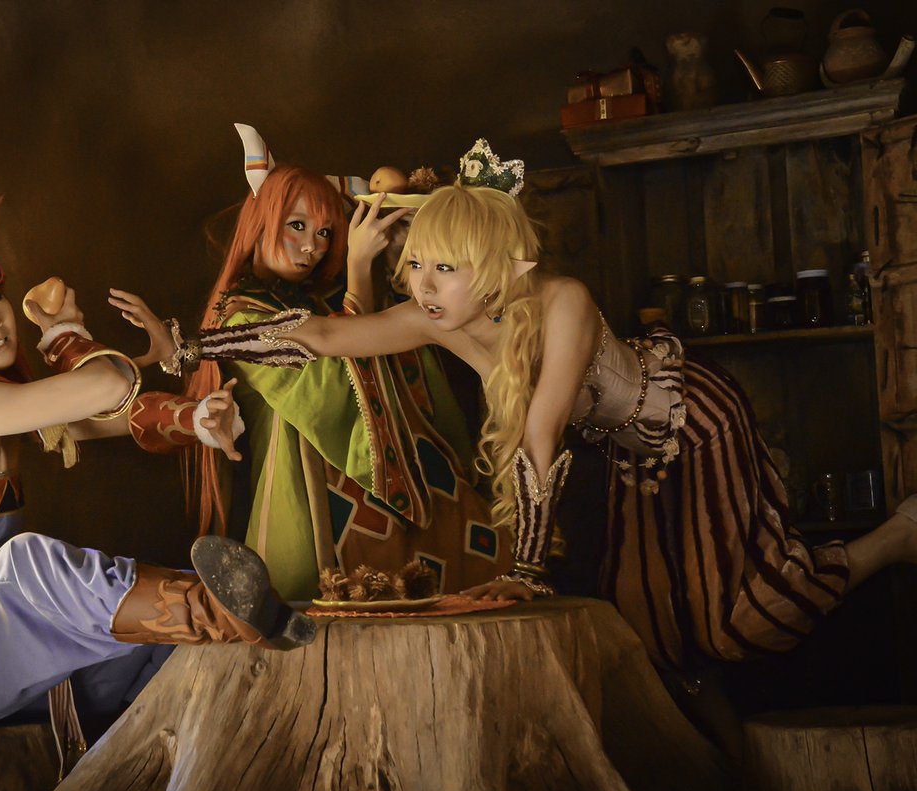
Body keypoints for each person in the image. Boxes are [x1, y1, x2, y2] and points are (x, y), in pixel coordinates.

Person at [130, 139, 917, 673]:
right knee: (653, 638)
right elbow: (325, 335)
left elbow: (540, 436)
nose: (421, 285)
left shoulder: (563, 301)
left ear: (504, 268)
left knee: (745, 619)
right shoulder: (434, 317)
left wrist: (527, 573)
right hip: (630, 459)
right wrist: (190, 349)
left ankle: (891, 540)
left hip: (693, 426)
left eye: (445, 269)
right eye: (417, 265)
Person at [0, 169, 315, 745]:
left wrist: (196, 421)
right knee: (25, 564)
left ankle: (233, 645)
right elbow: (108, 385)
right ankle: (220, 611)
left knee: (148, 639)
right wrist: (63, 334)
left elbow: (103, 417)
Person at [112, 128, 513, 601]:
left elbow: (380, 348)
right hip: (310, 489)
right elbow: (331, 392)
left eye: (324, 233)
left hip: (394, 486)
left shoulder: (319, 297)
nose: (312, 247)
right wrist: (359, 271)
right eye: (297, 226)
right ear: (261, 221)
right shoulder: (240, 313)